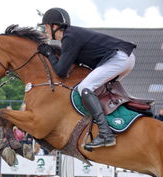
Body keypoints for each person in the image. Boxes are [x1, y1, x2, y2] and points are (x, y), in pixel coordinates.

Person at [38, 7, 136, 149]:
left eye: (46, 27)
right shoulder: (72, 35)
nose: (46, 31)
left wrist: (49, 54)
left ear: (55, 26)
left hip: (118, 58)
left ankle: (105, 134)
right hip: (124, 58)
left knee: (85, 87)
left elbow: (60, 71)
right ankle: (117, 124)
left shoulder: (69, 37)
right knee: (99, 91)